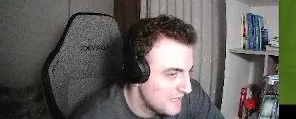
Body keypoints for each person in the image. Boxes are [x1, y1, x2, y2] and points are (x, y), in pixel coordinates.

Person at [73, 15, 224, 119]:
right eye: (172, 74)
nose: (187, 88)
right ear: (136, 72)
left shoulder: (192, 96)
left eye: (189, 71)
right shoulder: (96, 115)